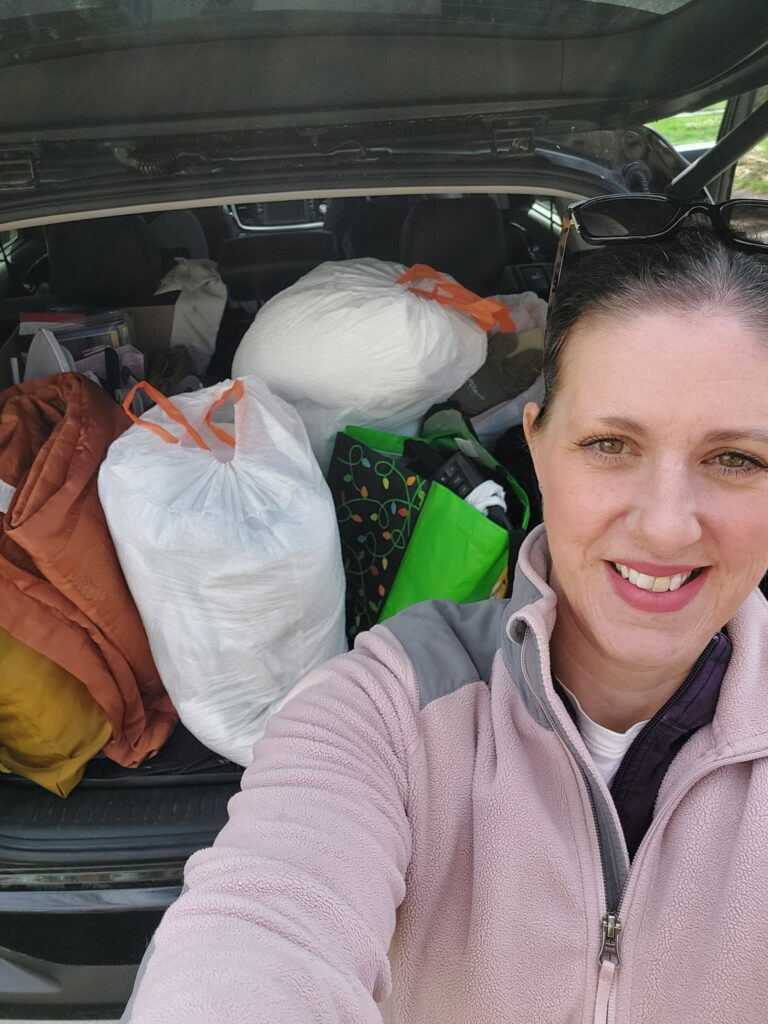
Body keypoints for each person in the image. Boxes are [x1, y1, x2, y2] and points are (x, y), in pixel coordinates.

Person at [122, 200, 768, 1024]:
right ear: (537, 449)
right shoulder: (389, 705)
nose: (668, 525)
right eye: (610, 445)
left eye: (736, 458)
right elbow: (260, 930)